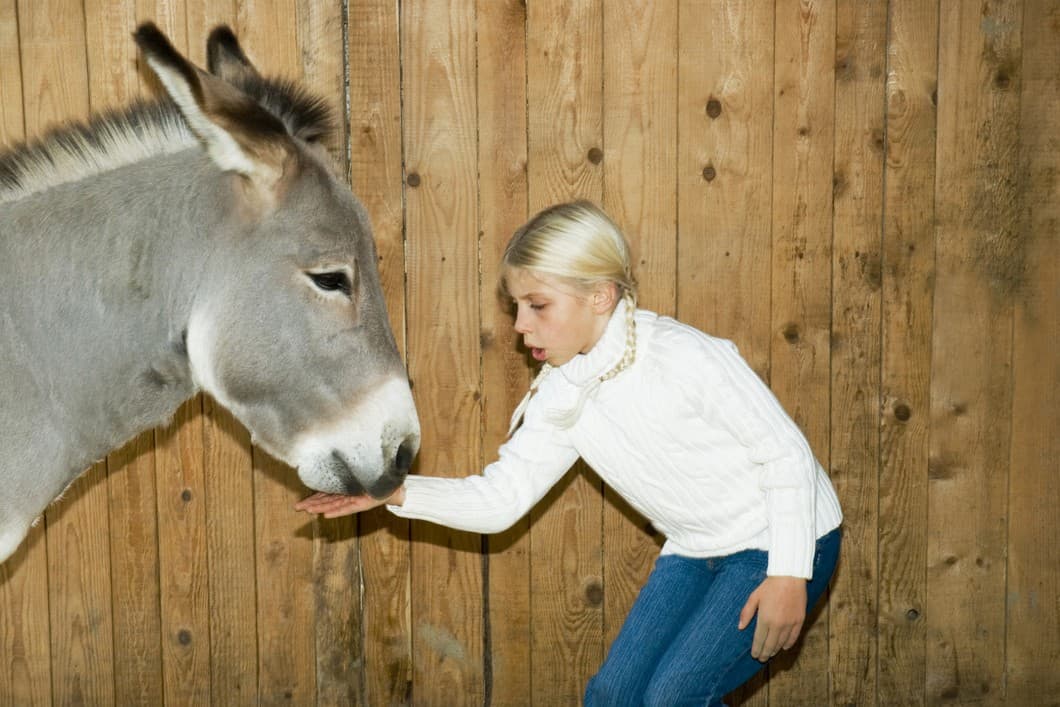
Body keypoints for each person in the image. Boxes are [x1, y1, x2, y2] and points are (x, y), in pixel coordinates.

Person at [295, 200, 843, 706]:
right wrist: (396, 491)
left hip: (786, 536)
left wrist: (788, 574)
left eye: (538, 305)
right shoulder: (563, 391)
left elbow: (786, 457)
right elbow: (502, 498)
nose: (520, 324)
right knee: (612, 696)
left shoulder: (684, 356)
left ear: (600, 296)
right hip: (698, 547)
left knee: (672, 698)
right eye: (517, 307)